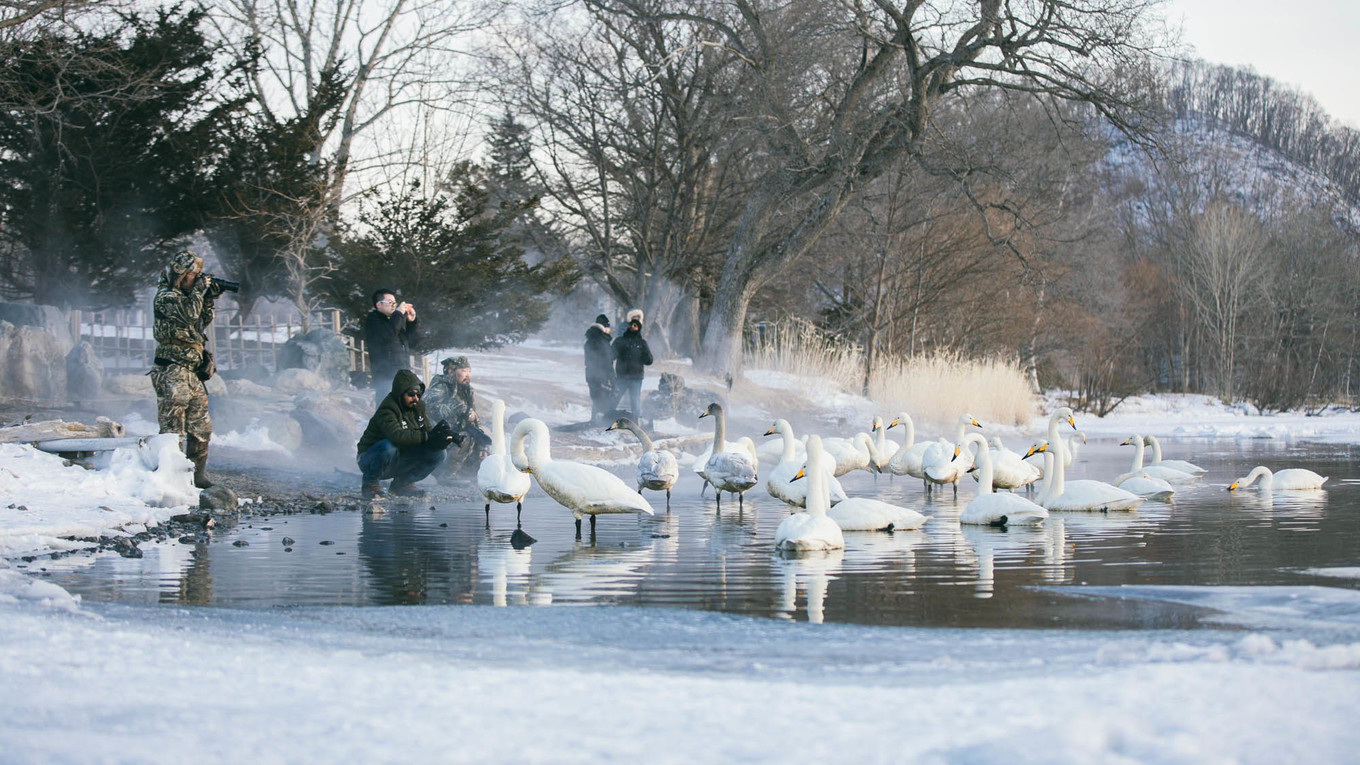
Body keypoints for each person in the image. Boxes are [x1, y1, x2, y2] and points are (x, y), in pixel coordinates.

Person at [150, 250, 227, 489]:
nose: (196, 280)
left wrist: (209, 298)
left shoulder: (188, 296)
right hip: (172, 370)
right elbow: (187, 314)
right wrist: (198, 291)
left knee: (201, 427)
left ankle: (197, 476)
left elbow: (200, 320)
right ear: (180, 274)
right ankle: (172, 479)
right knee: (174, 428)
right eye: (193, 275)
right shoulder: (166, 297)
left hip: (191, 372)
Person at [356, 369, 458, 499]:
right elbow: (397, 436)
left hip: (397, 457)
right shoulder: (388, 409)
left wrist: (441, 438)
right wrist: (426, 436)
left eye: (418, 395)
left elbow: (426, 431)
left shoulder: (418, 407)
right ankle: (370, 484)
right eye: (411, 394)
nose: (415, 398)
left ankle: (402, 484)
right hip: (370, 458)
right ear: (400, 393)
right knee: (389, 445)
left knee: (439, 453)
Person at [425, 356, 491, 476]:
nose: (468, 375)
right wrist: (460, 409)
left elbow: (473, 416)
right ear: (451, 371)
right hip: (437, 434)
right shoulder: (440, 385)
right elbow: (431, 409)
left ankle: (469, 471)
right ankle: (446, 474)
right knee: (464, 437)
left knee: (482, 433)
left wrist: (482, 444)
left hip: (457, 431)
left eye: (469, 371)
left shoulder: (467, 391)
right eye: (464, 371)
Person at [363, 288, 418, 405]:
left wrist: (412, 322)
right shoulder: (373, 320)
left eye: (395, 303)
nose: (393, 306)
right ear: (378, 305)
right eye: (390, 302)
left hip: (402, 375)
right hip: (385, 375)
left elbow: (411, 343)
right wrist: (398, 314)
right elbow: (388, 336)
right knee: (387, 410)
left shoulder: (393, 322)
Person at [611, 309, 653, 421]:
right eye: (632, 323)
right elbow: (611, 355)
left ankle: (636, 421)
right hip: (623, 375)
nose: (634, 325)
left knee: (634, 400)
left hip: (635, 376)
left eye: (637, 322)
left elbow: (649, 360)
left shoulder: (642, 343)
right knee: (616, 397)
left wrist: (643, 353)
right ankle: (607, 416)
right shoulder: (621, 339)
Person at [584, 313, 616, 425]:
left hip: (590, 374)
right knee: (604, 399)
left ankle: (595, 420)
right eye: (608, 327)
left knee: (596, 398)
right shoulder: (602, 342)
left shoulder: (590, 340)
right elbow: (607, 362)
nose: (609, 329)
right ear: (604, 327)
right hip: (602, 375)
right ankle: (601, 423)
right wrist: (612, 378)